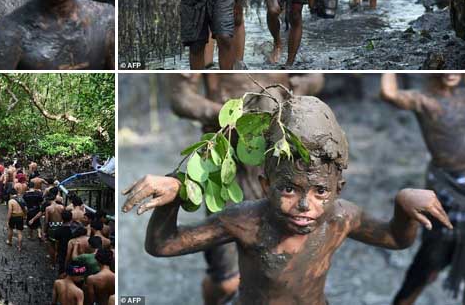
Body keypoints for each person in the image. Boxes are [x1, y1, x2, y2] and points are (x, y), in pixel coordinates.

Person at [123, 95, 452, 305]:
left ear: (339, 189)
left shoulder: (341, 218)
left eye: (320, 191)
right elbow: (163, 245)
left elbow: (395, 238)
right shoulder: (246, 221)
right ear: (266, 185)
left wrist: (404, 205)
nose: (305, 205)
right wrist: (173, 197)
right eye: (289, 189)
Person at [170, 73, 324, 304]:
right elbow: (181, 97)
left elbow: (315, 76)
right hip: (225, 169)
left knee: (280, 267)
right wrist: (229, 116)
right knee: (225, 279)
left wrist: (297, 91)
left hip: (276, 165)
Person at [380, 74, 465, 304]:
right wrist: (389, 68)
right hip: (446, 186)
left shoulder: (462, 97)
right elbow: (389, 94)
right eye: (444, 69)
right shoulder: (424, 100)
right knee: (429, 259)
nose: (450, 73)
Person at [54, 209, 75, 275]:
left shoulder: (58, 230)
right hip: (73, 252)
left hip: (62, 251)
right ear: (71, 218)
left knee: (62, 267)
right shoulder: (75, 230)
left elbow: (57, 243)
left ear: (61, 218)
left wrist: (56, 251)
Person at [46, 195, 66, 265]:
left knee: (52, 245)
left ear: (48, 201)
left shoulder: (48, 208)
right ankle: (59, 259)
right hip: (61, 227)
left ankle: (53, 263)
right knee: (60, 244)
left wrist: (45, 231)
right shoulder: (62, 207)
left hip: (52, 228)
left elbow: (46, 221)